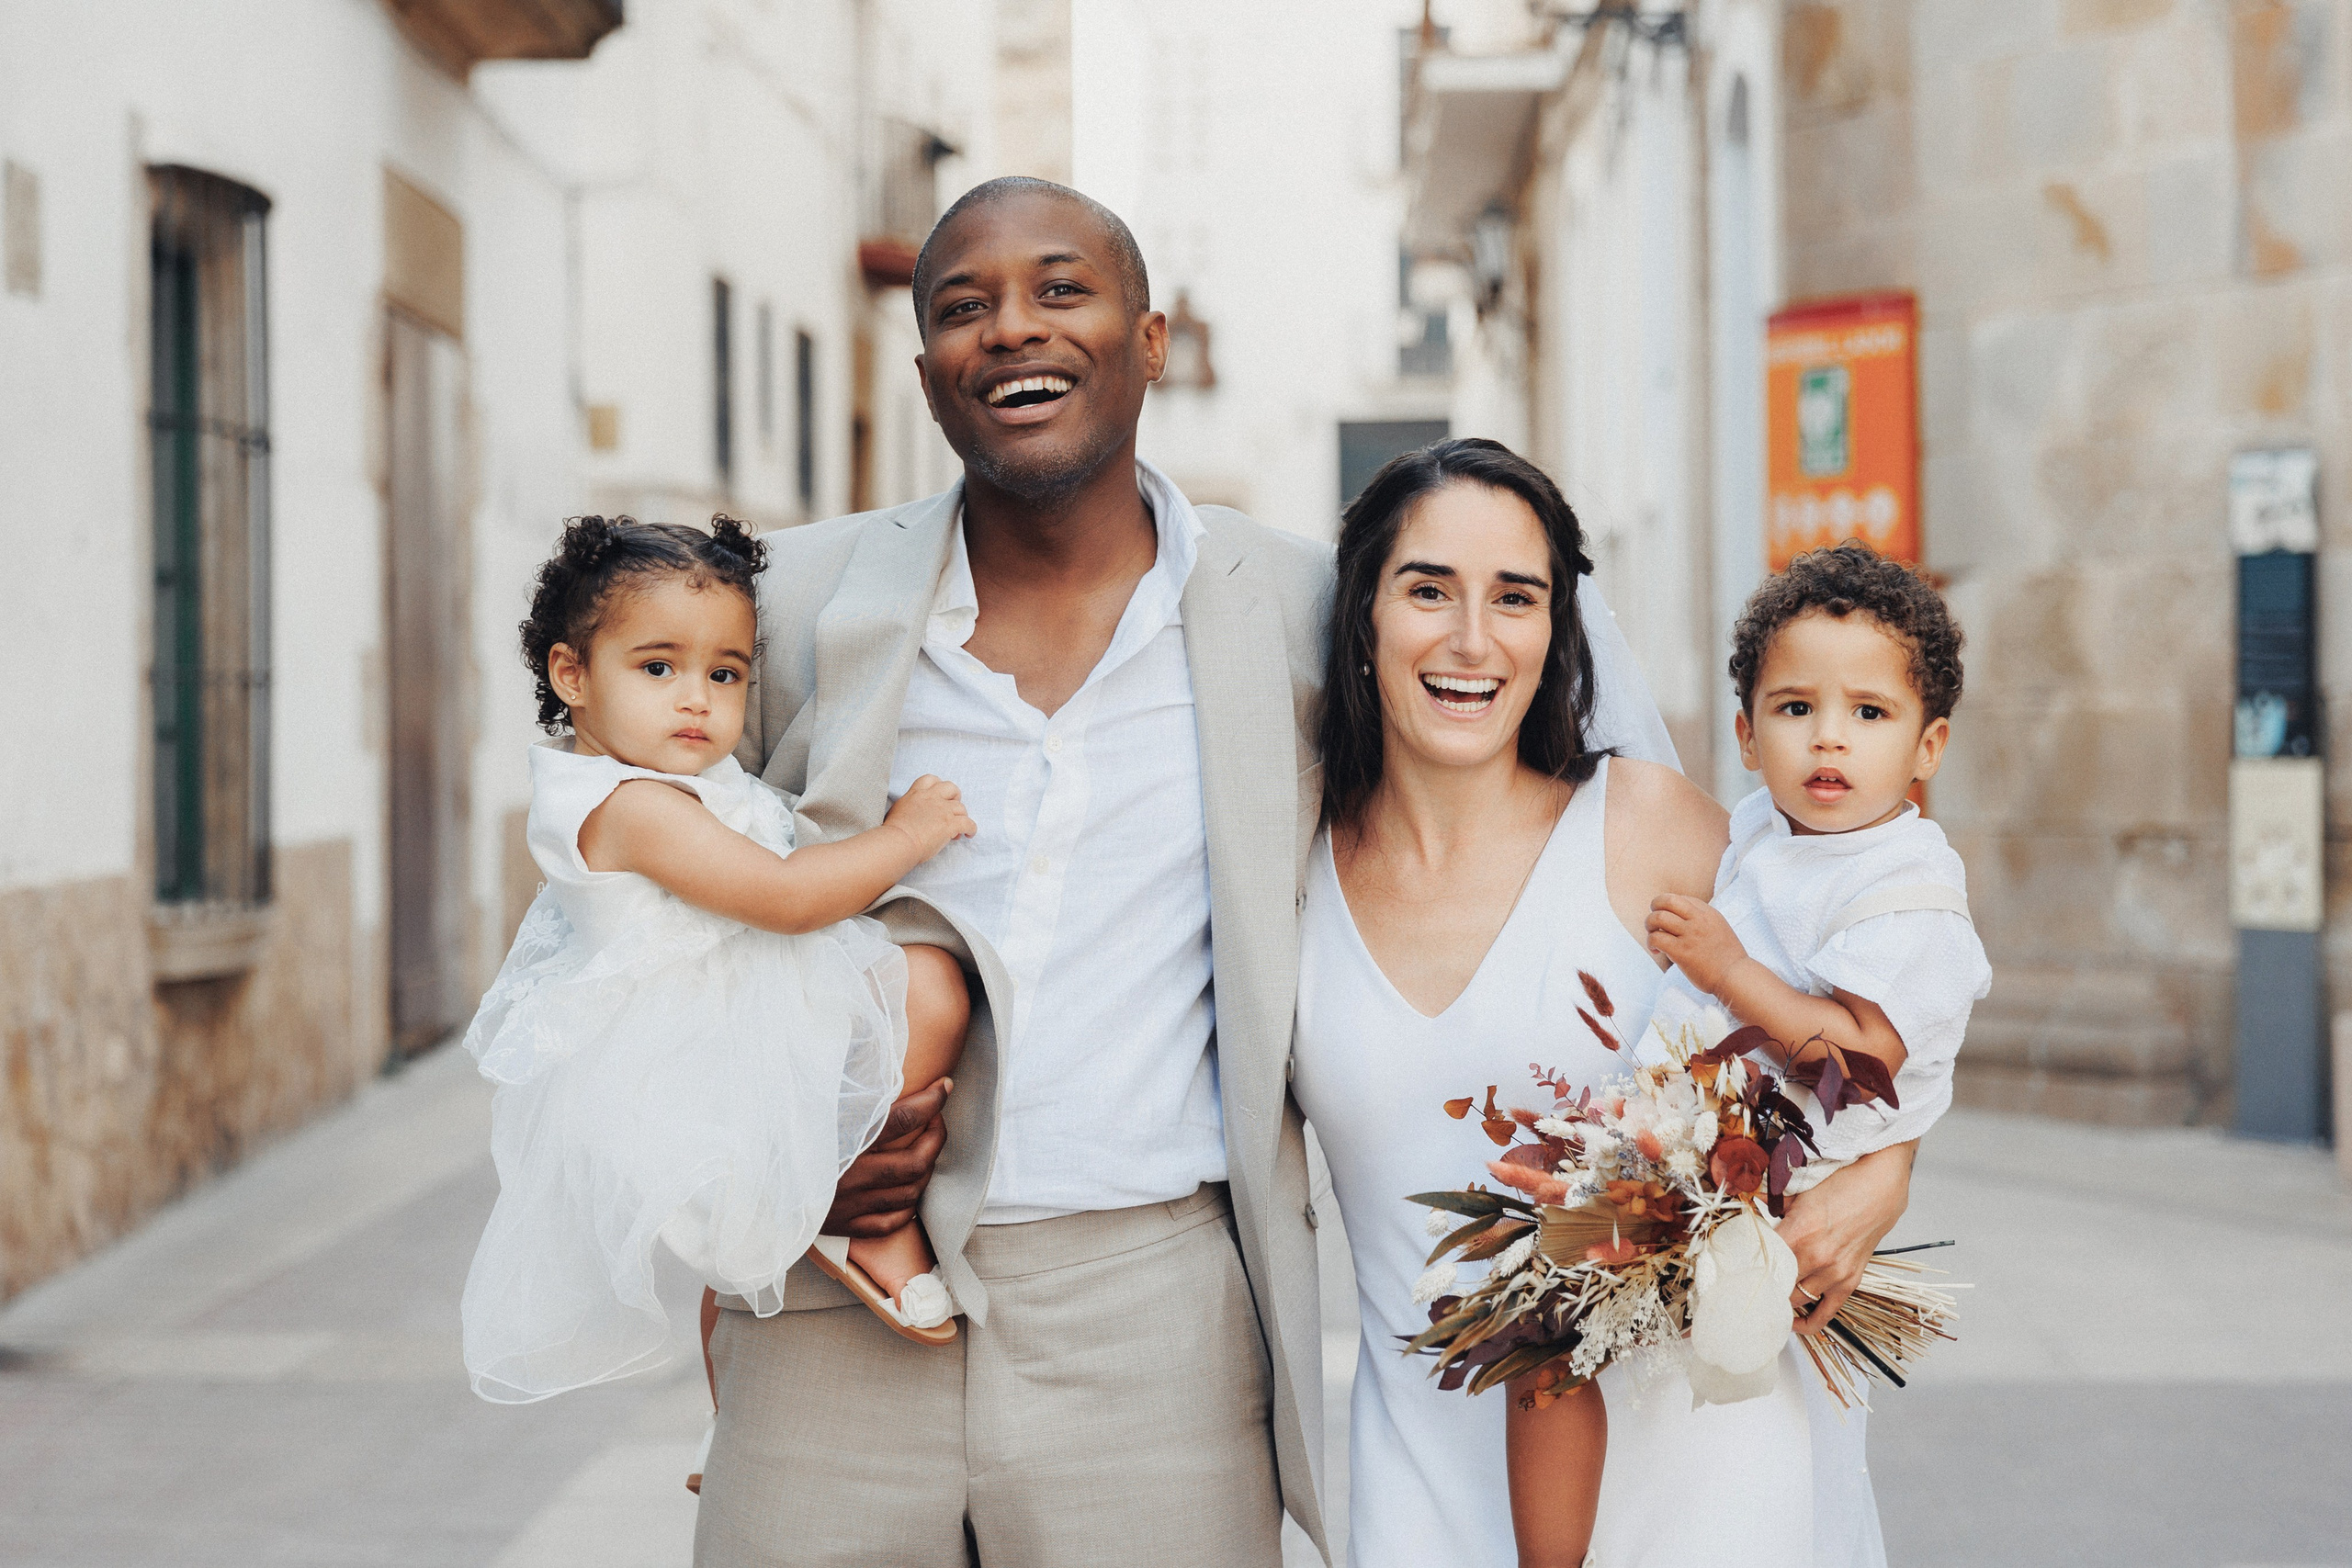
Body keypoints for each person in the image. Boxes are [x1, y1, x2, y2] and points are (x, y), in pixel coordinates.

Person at [693, 177, 1334, 1567]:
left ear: (1150, 340)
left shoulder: (1297, 605)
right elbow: (638, 920)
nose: (1010, 330)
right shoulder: (788, 604)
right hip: (832, 1294)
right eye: (963, 307)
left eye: (1060, 289)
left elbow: (1536, 791)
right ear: (926, 371)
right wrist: (785, 1141)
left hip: (1154, 1308)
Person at [1287, 440, 1926, 1568]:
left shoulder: (1646, 827)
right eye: (1428, 588)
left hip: (1698, 1478)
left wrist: (1887, 1169)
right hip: (1426, 1472)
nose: (1471, 639)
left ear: (1557, 627)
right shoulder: (1285, 873)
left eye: (1515, 598)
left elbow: (1864, 1021)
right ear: (1364, 612)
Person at [459, 514, 978, 1415]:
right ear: (570, 674)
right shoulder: (632, 807)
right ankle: (873, 1229)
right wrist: (906, 836)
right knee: (929, 988)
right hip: (710, 1045)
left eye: (724, 673)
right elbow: (782, 897)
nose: (697, 699)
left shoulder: (660, 777)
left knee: (730, 1277)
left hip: (728, 1007)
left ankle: (723, 1420)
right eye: (657, 668)